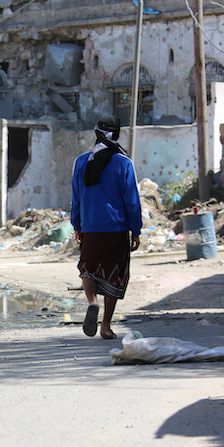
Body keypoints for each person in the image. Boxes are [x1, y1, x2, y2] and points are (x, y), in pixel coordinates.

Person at [70, 115, 142, 339]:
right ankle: (106, 327)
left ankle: (92, 302)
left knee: (88, 268)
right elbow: (132, 200)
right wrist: (136, 230)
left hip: (90, 227)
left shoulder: (81, 162)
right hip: (117, 229)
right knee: (115, 275)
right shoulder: (124, 163)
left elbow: (76, 197)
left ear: (96, 133)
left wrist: (77, 224)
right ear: (118, 135)